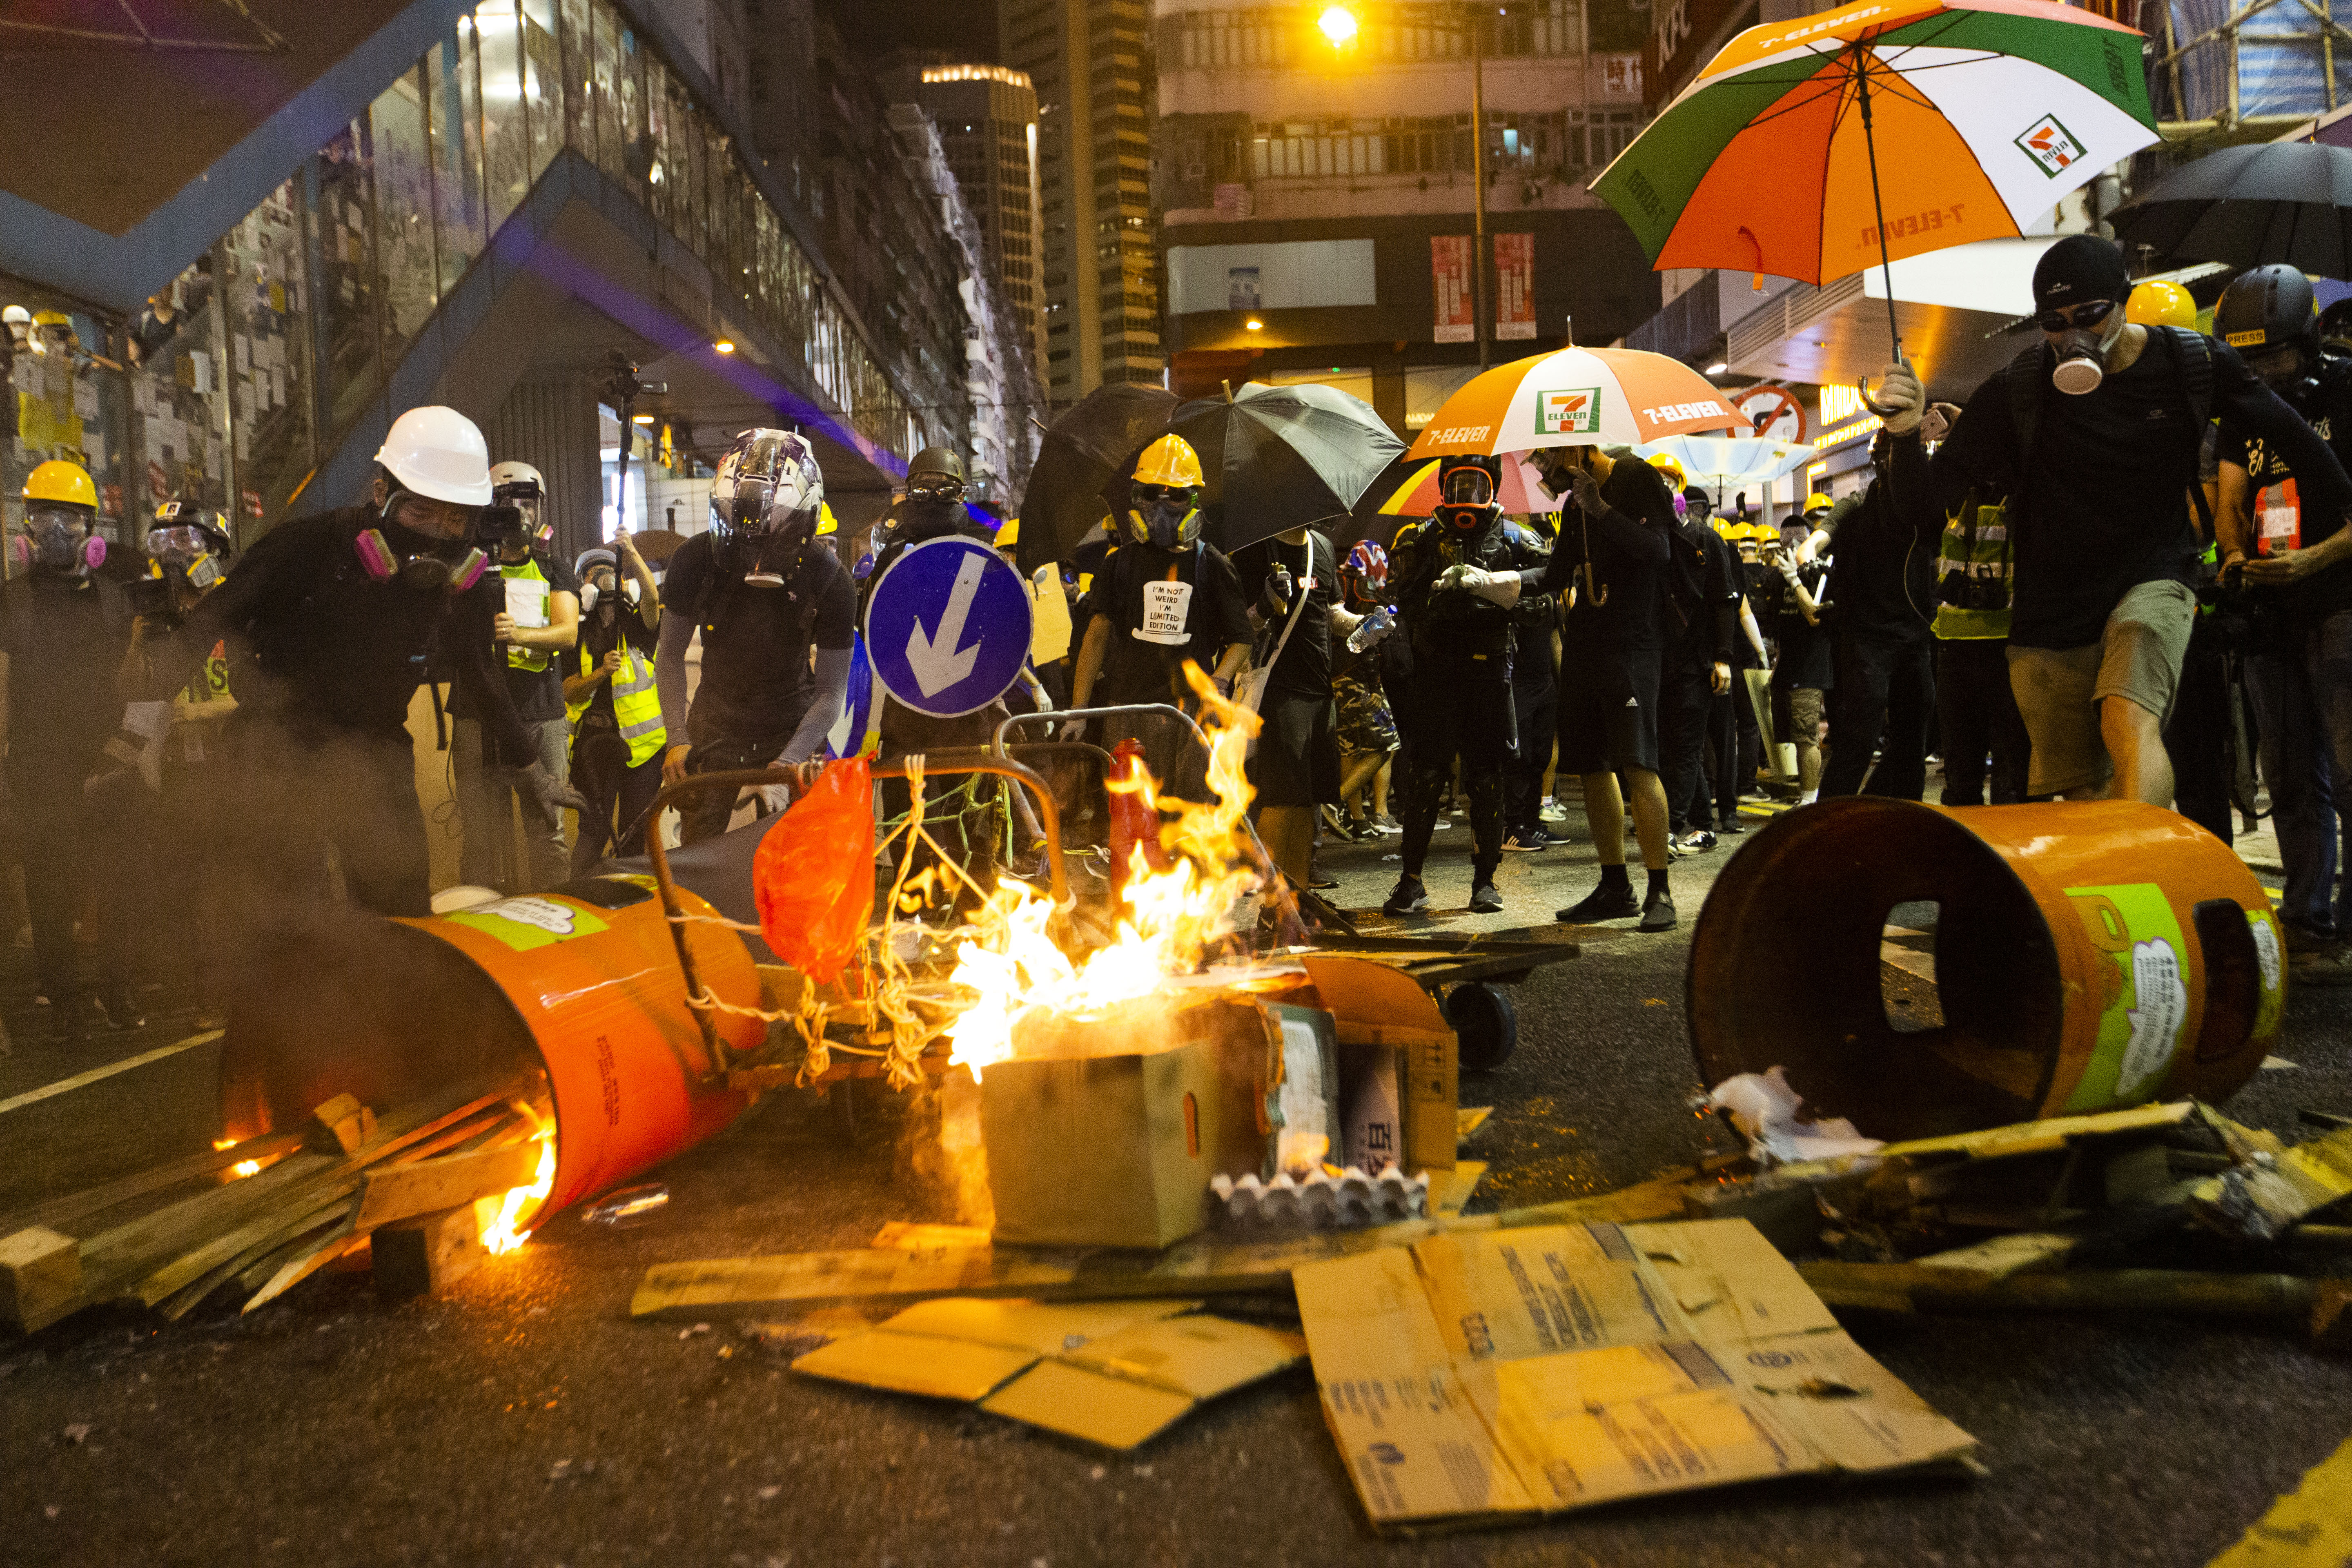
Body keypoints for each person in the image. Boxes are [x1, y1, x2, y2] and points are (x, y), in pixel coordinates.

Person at [1876, 234, 2352, 806]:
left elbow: (2299, 444)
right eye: (2053, 321)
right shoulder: (2017, 389)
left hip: (2152, 577)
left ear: (2123, 302)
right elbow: (1927, 511)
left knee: (2129, 719)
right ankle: (2124, 887)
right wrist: (1903, 436)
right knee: (2083, 788)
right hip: (2051, 608)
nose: (2072, 333)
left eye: (2090, 315)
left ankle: (2145, 867)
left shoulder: (2190, 363)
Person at [118, 407, 576, 928]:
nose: (438, 534)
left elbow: (479, 668)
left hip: (378, 749)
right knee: (286, 918)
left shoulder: (459, 577)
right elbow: (207, 627)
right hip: (276, 746)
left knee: (399, 909)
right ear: (381, 493)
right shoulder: (306, 547)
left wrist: (530, 767)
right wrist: (134, 728)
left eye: (456, 519)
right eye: (422, 513)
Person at [2212, 265, 2352, 983]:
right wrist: (2234, 553)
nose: (2261, 371)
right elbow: (2231, 497)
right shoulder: (2241, 413)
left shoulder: (2347, 391)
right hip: (2269, 610)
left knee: (2351, 769)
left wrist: (2315, 563)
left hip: (2339, 601)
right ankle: (2307, 921)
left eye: (2274, 356)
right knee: (2291, 774)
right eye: (2247, 359)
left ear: (2308, 344)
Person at [656, 428, 856, 844]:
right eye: (744, 537)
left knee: (800, 850)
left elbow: (832, 692)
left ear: (806, 522)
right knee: (698, 853)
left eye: (773, 539)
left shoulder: (830, 579)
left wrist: (791, 760)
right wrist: (677, 738)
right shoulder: (695, 560)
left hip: (792, 723)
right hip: (715, 725)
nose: (756, 554)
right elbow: (670, 656)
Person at [2, 461, 142, 1040]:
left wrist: (123, 754)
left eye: (68, 516)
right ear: (26, 527)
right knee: (51, 886)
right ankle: (65, 1002)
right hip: (39, 764)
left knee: (121, 881)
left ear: (92, 527)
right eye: (42, 516)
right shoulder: (12, 601)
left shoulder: (116, 600)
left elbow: (138, 682)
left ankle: (118, 989)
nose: (54, 529)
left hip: (108, 762)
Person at [1381, 455, 1549, 916]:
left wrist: (1492, 591)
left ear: (1494, 488)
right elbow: (1403, 605)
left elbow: (1548, 603)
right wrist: (1436, 598)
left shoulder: (1517, 539)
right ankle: (1411, 881)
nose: (1467, 498)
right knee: (1426, 778)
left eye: (1477, 486)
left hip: (1490, 672)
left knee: (1487, 779)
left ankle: (1485, 882)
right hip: (1437, 673)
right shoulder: (1421, 539)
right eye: (1459, 486)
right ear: (1444, 489)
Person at [1535, 443, 1679, 931]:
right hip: (1587, 643)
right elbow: (1556, 573)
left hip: (1632, 643)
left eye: (1550, 454)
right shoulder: (1574, 503)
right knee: (1591, 765)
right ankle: (1615, 885)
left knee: (1638, 761)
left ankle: (1661, 888)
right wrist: (1492, 583)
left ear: (1579, 447)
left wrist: (1603, 509)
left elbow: (1658, 550)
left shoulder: (1634, 476)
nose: (1545, 466)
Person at [1065, 436, 1253, 797]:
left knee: (1190, 825)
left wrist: (1219, 684)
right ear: (1136, 497)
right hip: (1127, 709)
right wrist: (1078, 710)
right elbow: (1096, 636)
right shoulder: (1118, 564)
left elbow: (1241, 636)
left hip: (1190, 714)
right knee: (1132, 823)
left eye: (1177, 495)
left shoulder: (1211, 564)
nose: (1161, 508)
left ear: (1194, 501)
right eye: (1151, 493)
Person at [126, 502, 239, 1023]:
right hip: (175, 767)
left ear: (214, 552)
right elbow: (130, 694)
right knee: (183, 883)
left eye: (186, 543)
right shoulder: (156, 622)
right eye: (163, 543)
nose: (173, 556)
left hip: (230, 764)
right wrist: (135, 644)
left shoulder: (235, 615)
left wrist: (199, 711)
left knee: (230, 882)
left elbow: (257, 695)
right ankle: (200, 989)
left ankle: (234, 991)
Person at [450, 460, 579, 890]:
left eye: (527, 503)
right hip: (477, 715)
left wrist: (518, 633)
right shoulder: (465, 568)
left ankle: (552, 922)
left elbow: (567, 633)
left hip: (539, 712)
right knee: (481, 838)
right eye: (506, 504)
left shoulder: (553, 569)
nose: (519, 513)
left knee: (547, 832)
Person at [1922, 401, 2032, 806]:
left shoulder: (2020, 487)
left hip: (2010, 648)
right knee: (1962, 780)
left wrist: (1970, 422)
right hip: (1956, 647)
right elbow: (1919, 499)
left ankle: (2009, 864)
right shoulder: (1953, 489)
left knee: (2012, 780)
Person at [1815, 439, 1938, 800]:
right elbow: (1824, 533)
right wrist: (1808, 552)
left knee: (1915, 737)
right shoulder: (1857, 505)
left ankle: (1895, 812)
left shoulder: (1923, 511)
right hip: (1869, 639)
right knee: (1860, 737)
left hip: (1913, 637)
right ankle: (1830, 820)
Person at [1234, 524, 1350, 890]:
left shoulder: (1324, 548)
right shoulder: (1253, 549)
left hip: (1320, 687)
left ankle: (1296, 903)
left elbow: (1332, 614)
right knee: (1281, 801)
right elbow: (1237, 628)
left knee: (1308, 802)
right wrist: (1264, 608)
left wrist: (1365, 625)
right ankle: (1271, 903)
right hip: (1279, 689)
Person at [564, 535, 664, 871]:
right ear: (584, 586)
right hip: (594, 747)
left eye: (610, 569)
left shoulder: (637, 627)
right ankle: (577, 896)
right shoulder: (575, 634)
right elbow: (567, 691)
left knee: (634, 836)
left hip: (644, 751)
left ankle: (630, 905)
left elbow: (651, 597)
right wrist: (600, 674)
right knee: (593, 831)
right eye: (594, 573)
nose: (603, 576)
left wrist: (632, 551)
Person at [1662, 484, 1738, 852]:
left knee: (1687, 747)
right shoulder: (1658, 539)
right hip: (1666, 661)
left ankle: (1671, 826)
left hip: (1700, 660)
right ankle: (1704, 827)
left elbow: (1727, 602)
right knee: (1675, 746)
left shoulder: (1707, 539)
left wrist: (1723, 658)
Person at [1766, 502, 1835, 802]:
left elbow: (1814, 615)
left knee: (1807, 736)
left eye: (1796, 538)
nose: (1790, 544)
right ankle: (1807, 795)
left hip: (1811, 664)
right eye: (1786, 538)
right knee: (1793, 737)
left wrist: (1796, 578)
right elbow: (1777, 624)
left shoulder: (1818, 572)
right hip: (1789, 665)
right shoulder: (1780, 575)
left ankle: (1810, 801)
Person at [1499, 519, 1561, 853]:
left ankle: (1533, 823)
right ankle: (1513, 826)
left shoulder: (1548, 589)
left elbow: (1554, 637)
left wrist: (1562, 683)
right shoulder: (1506, 589)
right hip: (1518, 682)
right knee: (1518, 760)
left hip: (1543, 682)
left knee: (1540, 756)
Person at [1331, 539, 1399, 837]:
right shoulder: (1364, 587)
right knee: (1387, 744)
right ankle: (1336, 802)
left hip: (1332, 675)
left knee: (1350, 749)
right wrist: (1373, 684)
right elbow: (1368, 637)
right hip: (1357, 676)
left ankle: (1358, 821)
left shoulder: (1335, 580)